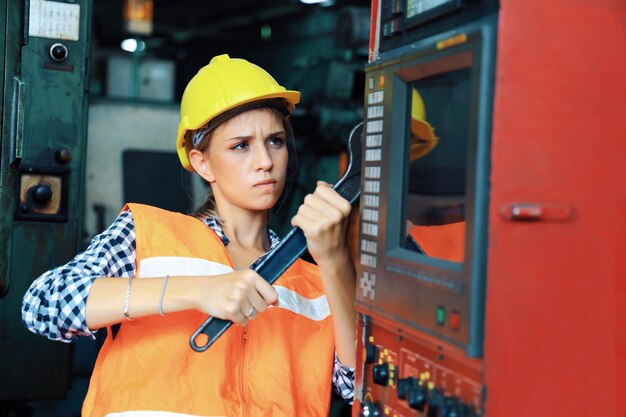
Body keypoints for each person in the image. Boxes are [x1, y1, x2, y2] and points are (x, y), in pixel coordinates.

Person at [22, 54, 356, 417]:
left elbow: (360, 390)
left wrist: (336, 259)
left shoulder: (316, 283)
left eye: (275, 141)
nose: (265, 160)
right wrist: (195, 290)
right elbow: (44, 304)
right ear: (203, 163)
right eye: (240, 145)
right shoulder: (147, 235)